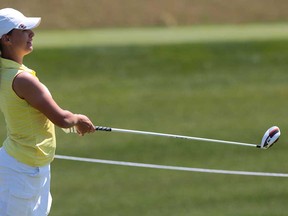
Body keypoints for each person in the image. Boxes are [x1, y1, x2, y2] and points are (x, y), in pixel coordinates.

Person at [0, 8, 95, 216]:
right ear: (7, 38)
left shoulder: (8, 72)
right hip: (22, 168)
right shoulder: (22, 79)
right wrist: (78, 119)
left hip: (30, 164)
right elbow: (62, 119)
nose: (32, 34)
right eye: (24, 30)